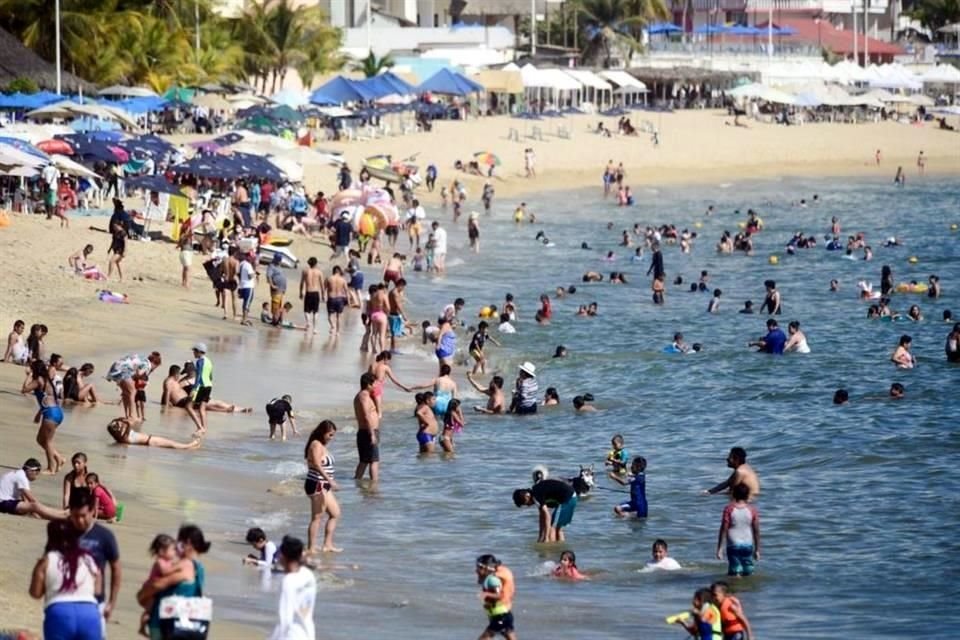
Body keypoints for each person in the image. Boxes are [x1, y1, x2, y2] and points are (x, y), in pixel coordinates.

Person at [29, 520, 102, 640]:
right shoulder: (88, 559)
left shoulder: (47, 561)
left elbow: (35, 593)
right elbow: (98, 591)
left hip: (59, 613)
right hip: (89, 613)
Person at [137, 524, 210, 640]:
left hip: (167, 624)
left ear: (188, 543)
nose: (176, 548)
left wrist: (141, 595)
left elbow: (157, 585)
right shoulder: (199, 568)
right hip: (189, 624)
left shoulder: (185, 564)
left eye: (179, 543)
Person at [69, 488, 120, 632]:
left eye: (83, 515)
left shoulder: (104, 536)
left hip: (95, 602)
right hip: (66, 599)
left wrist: (111, 603)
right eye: (75, 515)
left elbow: (116, 569)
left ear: (92, 511)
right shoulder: (62, 533)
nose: (79, 520)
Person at [268, 536, 316, 640]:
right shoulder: (308, 575)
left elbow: (285, 619)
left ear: (283, 556)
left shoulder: (288, 582)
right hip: (308, 634)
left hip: (291, 635)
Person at [22, 359, 66, 473]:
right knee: (40, 440)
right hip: (56, 412)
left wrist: (28, 376)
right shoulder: (47, 380)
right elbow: (46, 399)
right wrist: (39, 413)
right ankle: (58, 458)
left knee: (48, 441)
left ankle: (51, 468)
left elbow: (24, 390)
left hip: (50, 413)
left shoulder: (38, 380)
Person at [305, 421, 341, 553]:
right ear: (323, 432)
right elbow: (316, 464)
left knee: (335, 513)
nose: (331, 438)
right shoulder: (316, 445)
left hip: (323, 485)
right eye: (330, 435)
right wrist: (330, 480)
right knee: (317, 517)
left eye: (333, 435)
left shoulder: (321, 445)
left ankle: (327, 545)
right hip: (317, 484)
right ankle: (311, 548)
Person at [512, 478, 577, 543]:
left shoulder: (536, 495)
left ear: (527, 496)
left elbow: (547, 515)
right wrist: (540, 536)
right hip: (570, 497)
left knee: (552, 528)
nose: (528, 505)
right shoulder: (536, 493)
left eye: (525, 503)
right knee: (557, 529)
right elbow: (542, 517)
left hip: (567, 499)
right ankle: (559, 549)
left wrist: (546, 538)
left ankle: (550, 550)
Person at [716, 484, 760, 577]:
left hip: (733, 544)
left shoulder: (729, 509)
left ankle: (736, 589)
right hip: (748, 544)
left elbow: (724, 528)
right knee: (748, 570)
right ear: (747, 495)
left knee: (735, 571)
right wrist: (757, 549)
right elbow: (756, 531)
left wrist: (720, 548)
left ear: (733, 494)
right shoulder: (752, 510)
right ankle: (748, 589)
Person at [106, 352, 161, 419]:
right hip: (123, 370)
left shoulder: (142, 359)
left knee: (126, 393)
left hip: (116, 368)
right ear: (154, 363)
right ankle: (132, 416)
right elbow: (139, 373)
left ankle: (127, 415)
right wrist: (138, 377)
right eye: (155, 367)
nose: (154, 369)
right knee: (132, 392)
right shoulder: (148, 364)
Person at [475, 555, 516, 640]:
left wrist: (486, 594)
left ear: (486, 568)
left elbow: (500, 595)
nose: (476, 570)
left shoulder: (493, 579)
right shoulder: (491, 577)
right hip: (503, 615)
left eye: (479, 567)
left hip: (500, 616)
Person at [106, 417, 202, 450]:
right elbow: (129, 424)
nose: (120, 425)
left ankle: (191, 447)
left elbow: (123, 422)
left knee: (172, 443)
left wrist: (117, 421)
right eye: (117, 426)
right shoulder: (124, 437)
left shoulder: (121, 437)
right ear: (116, 431)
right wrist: (122, 421)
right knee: (173, 444)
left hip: (151, 440)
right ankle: (190, 445)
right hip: (150, 441)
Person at [353, 373, 380, 484]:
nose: (376, 386)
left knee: (364, 461)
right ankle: (374, 486)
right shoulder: (363, 396)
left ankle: (357, 483)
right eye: (374, 383)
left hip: (366, 431)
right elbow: (366, 415)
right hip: (368, 431)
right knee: (374, 461)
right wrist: (372, 434)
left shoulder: (363, 395)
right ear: (369, 384)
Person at [185, 343, 213, 434]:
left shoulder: (199, 361)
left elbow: (199, 375)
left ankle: (199, 427)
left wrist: (194, 388)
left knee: (188, 406)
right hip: (209, 386)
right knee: (202, 408)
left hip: (200, 386)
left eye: (194, 351)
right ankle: (203, 428)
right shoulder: (209, 361)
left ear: (199, 352)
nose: (193, 352)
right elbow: (211, 376)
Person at [299, 257, 325, 333]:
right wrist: (323, 295)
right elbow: (322, 285)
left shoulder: (305, 271)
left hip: (308, 292)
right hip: (316, 293)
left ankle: (308, 323)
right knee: (315, 312)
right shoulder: (319, 272)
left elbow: (302, 283)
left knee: (306, 310)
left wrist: (300, 292)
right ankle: (315, 329)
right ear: (316, 263)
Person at [325, 265, 349, 335]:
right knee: (339, 316)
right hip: (340, 299)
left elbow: (324, 288)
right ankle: (338, 332)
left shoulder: (329, 278)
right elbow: (346, 291)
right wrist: (348, 301)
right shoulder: (343, 280)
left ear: (334, 271)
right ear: (339, 271)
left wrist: (324, 296)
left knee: (330, 315)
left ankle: (332, 326)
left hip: (331, 298)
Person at [267, 254, 288, 326]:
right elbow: (269, 276)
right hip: (276, 289)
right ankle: (275, 322)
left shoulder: (279, 266)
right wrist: (272, 285)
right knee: (275, 305)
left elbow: (282, 277)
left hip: (281, 289)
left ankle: (277, 320)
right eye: (279, 260)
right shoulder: (271, 266)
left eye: (280, 260)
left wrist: (284, 288)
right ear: (276, 259)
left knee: (279, 305)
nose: (280, 261)